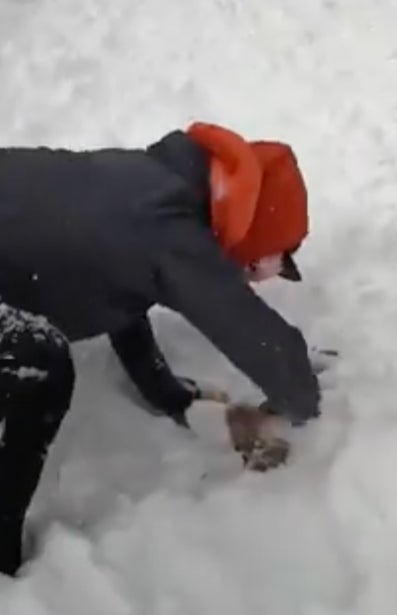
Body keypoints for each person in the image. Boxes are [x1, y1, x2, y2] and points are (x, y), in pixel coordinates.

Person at [0, 121, 321, 576]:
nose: (246, 277)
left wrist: (162, 388)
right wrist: (304, 401)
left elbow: (118, 281)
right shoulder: (168, 231)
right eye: (258, 267)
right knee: (41, 368)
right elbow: (251, 331)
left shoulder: (149, 184)